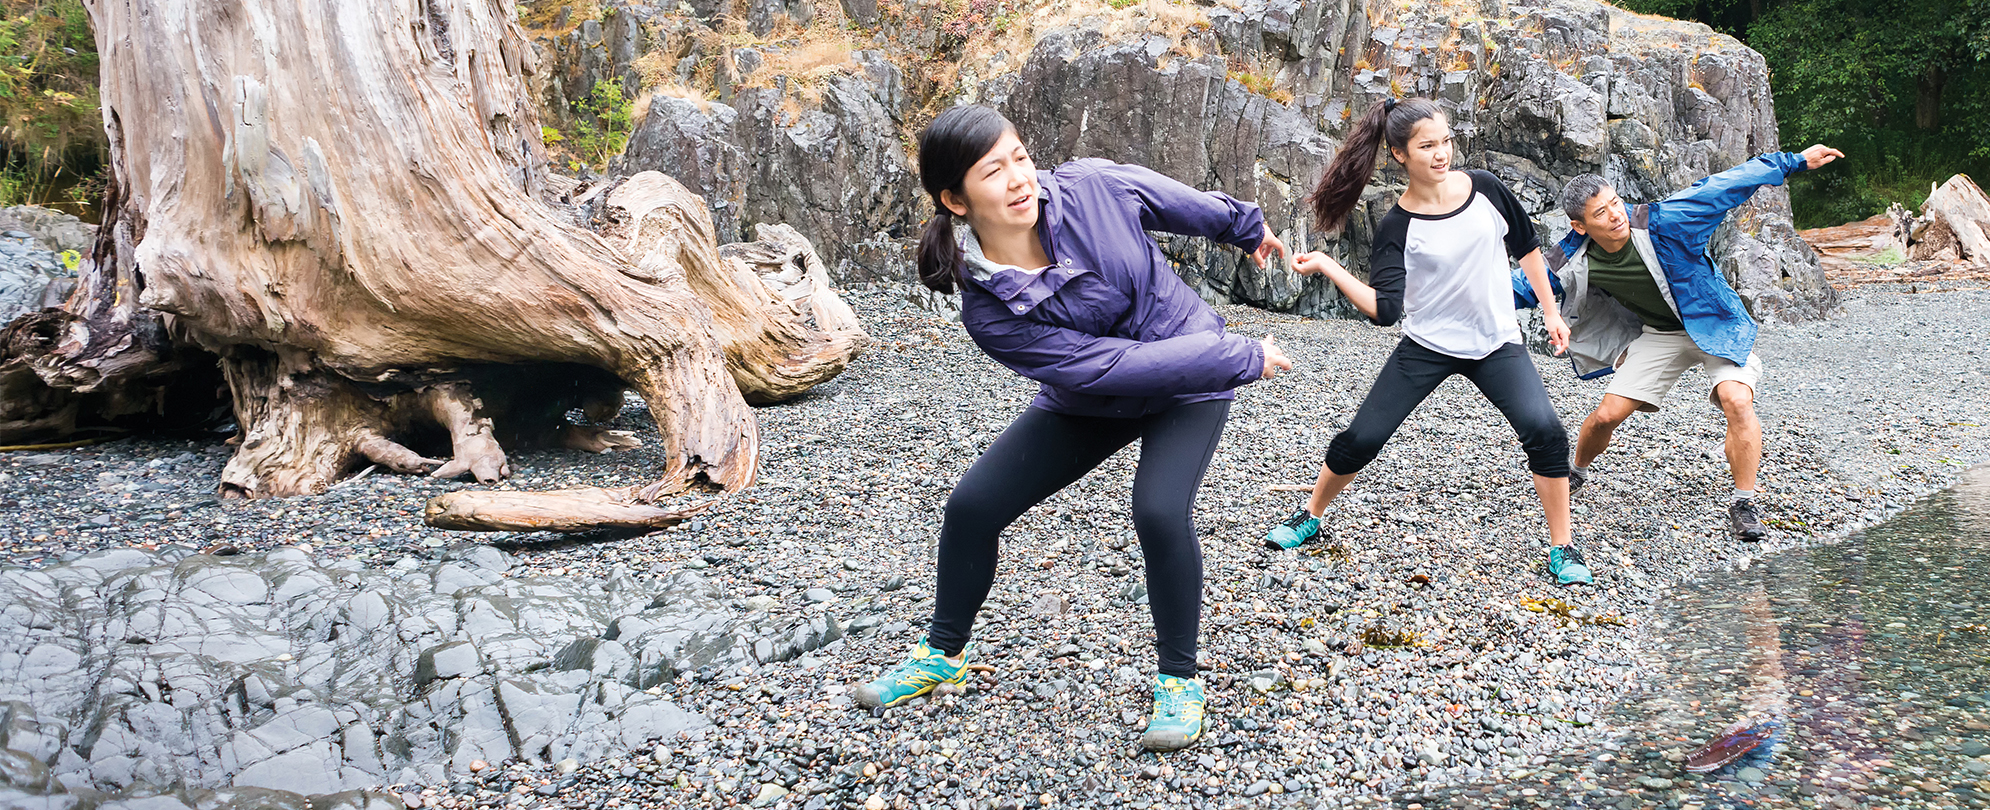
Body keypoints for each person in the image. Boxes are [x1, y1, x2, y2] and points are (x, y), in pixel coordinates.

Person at [852, 104, 1293, 752]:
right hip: (1100, 393)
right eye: (993, 170)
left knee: (1160, 510)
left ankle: (1179, 680)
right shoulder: (988, 310)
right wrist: (1240, 355)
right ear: (954, 198)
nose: (1019, 178)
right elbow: (1110, 367)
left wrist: (1244, 227)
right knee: (972, 507)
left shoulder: (1090, 187)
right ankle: (944, 654)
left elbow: (1172, 202)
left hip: (1189, 370)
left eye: (1020, 158)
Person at [1263, 97, 1595, 588]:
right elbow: (1385, 311)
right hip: (1427, 346)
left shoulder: (1485, 188)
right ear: (1400, 154)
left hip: (1496, 342)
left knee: (1546, 431)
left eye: (1446, 141)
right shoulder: (1397, 226)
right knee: (1362, 438)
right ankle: (1310, 514)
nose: (1441, 154)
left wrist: (1550, 311)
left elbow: (1526, 246)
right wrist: (1330, 267)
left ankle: (1563, 546)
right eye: (1427, 147)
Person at [1529, 144, 1843, 541]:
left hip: (1715, 325)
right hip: (1659, 335)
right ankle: (1577, 470)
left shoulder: (1664, 222)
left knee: (1737, 399)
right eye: (1601, 213)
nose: (1615, 215)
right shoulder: (1570, 259)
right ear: (1580, 226)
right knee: (1608, 415)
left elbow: (1722, 187)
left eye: (1615, 202)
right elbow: (1520, 286)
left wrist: (1794, 161)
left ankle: (1744, 503)